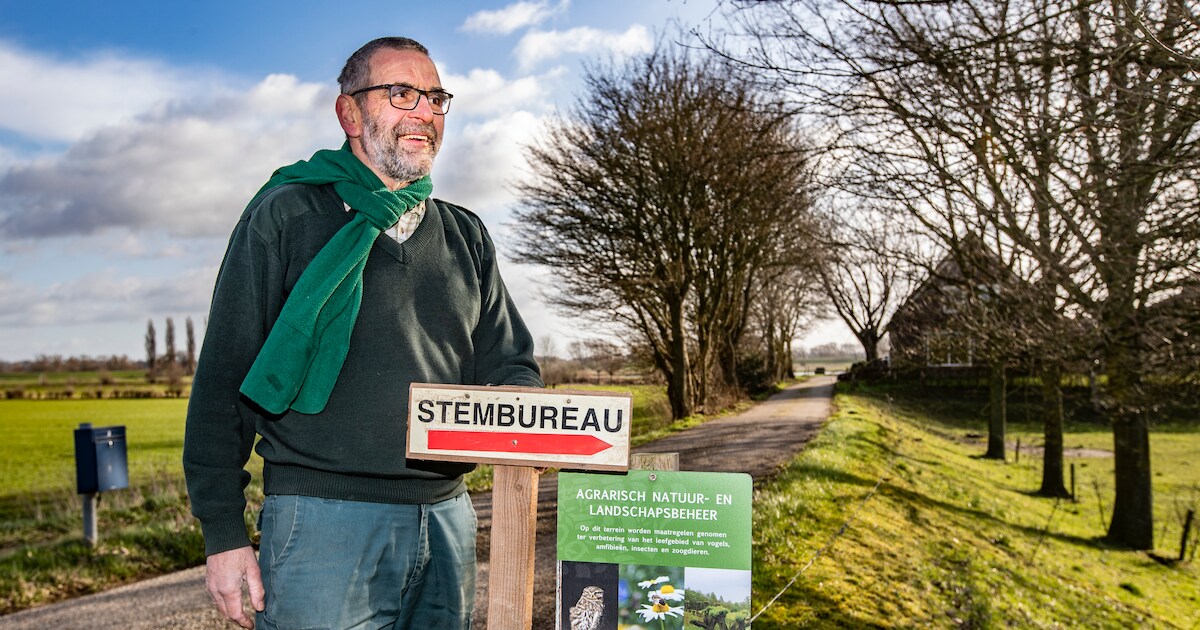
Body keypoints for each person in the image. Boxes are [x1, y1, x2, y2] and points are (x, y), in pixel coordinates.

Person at [183, 36, 542, 630]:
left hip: (449, 519)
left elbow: (511, 362)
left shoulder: (466, 234)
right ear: (349, 112)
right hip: (321, 522)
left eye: (434, 97)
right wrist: (223, 531)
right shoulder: (287, 214)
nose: (424, 112)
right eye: (400, 93)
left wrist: (516, 406)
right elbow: (225, 377)